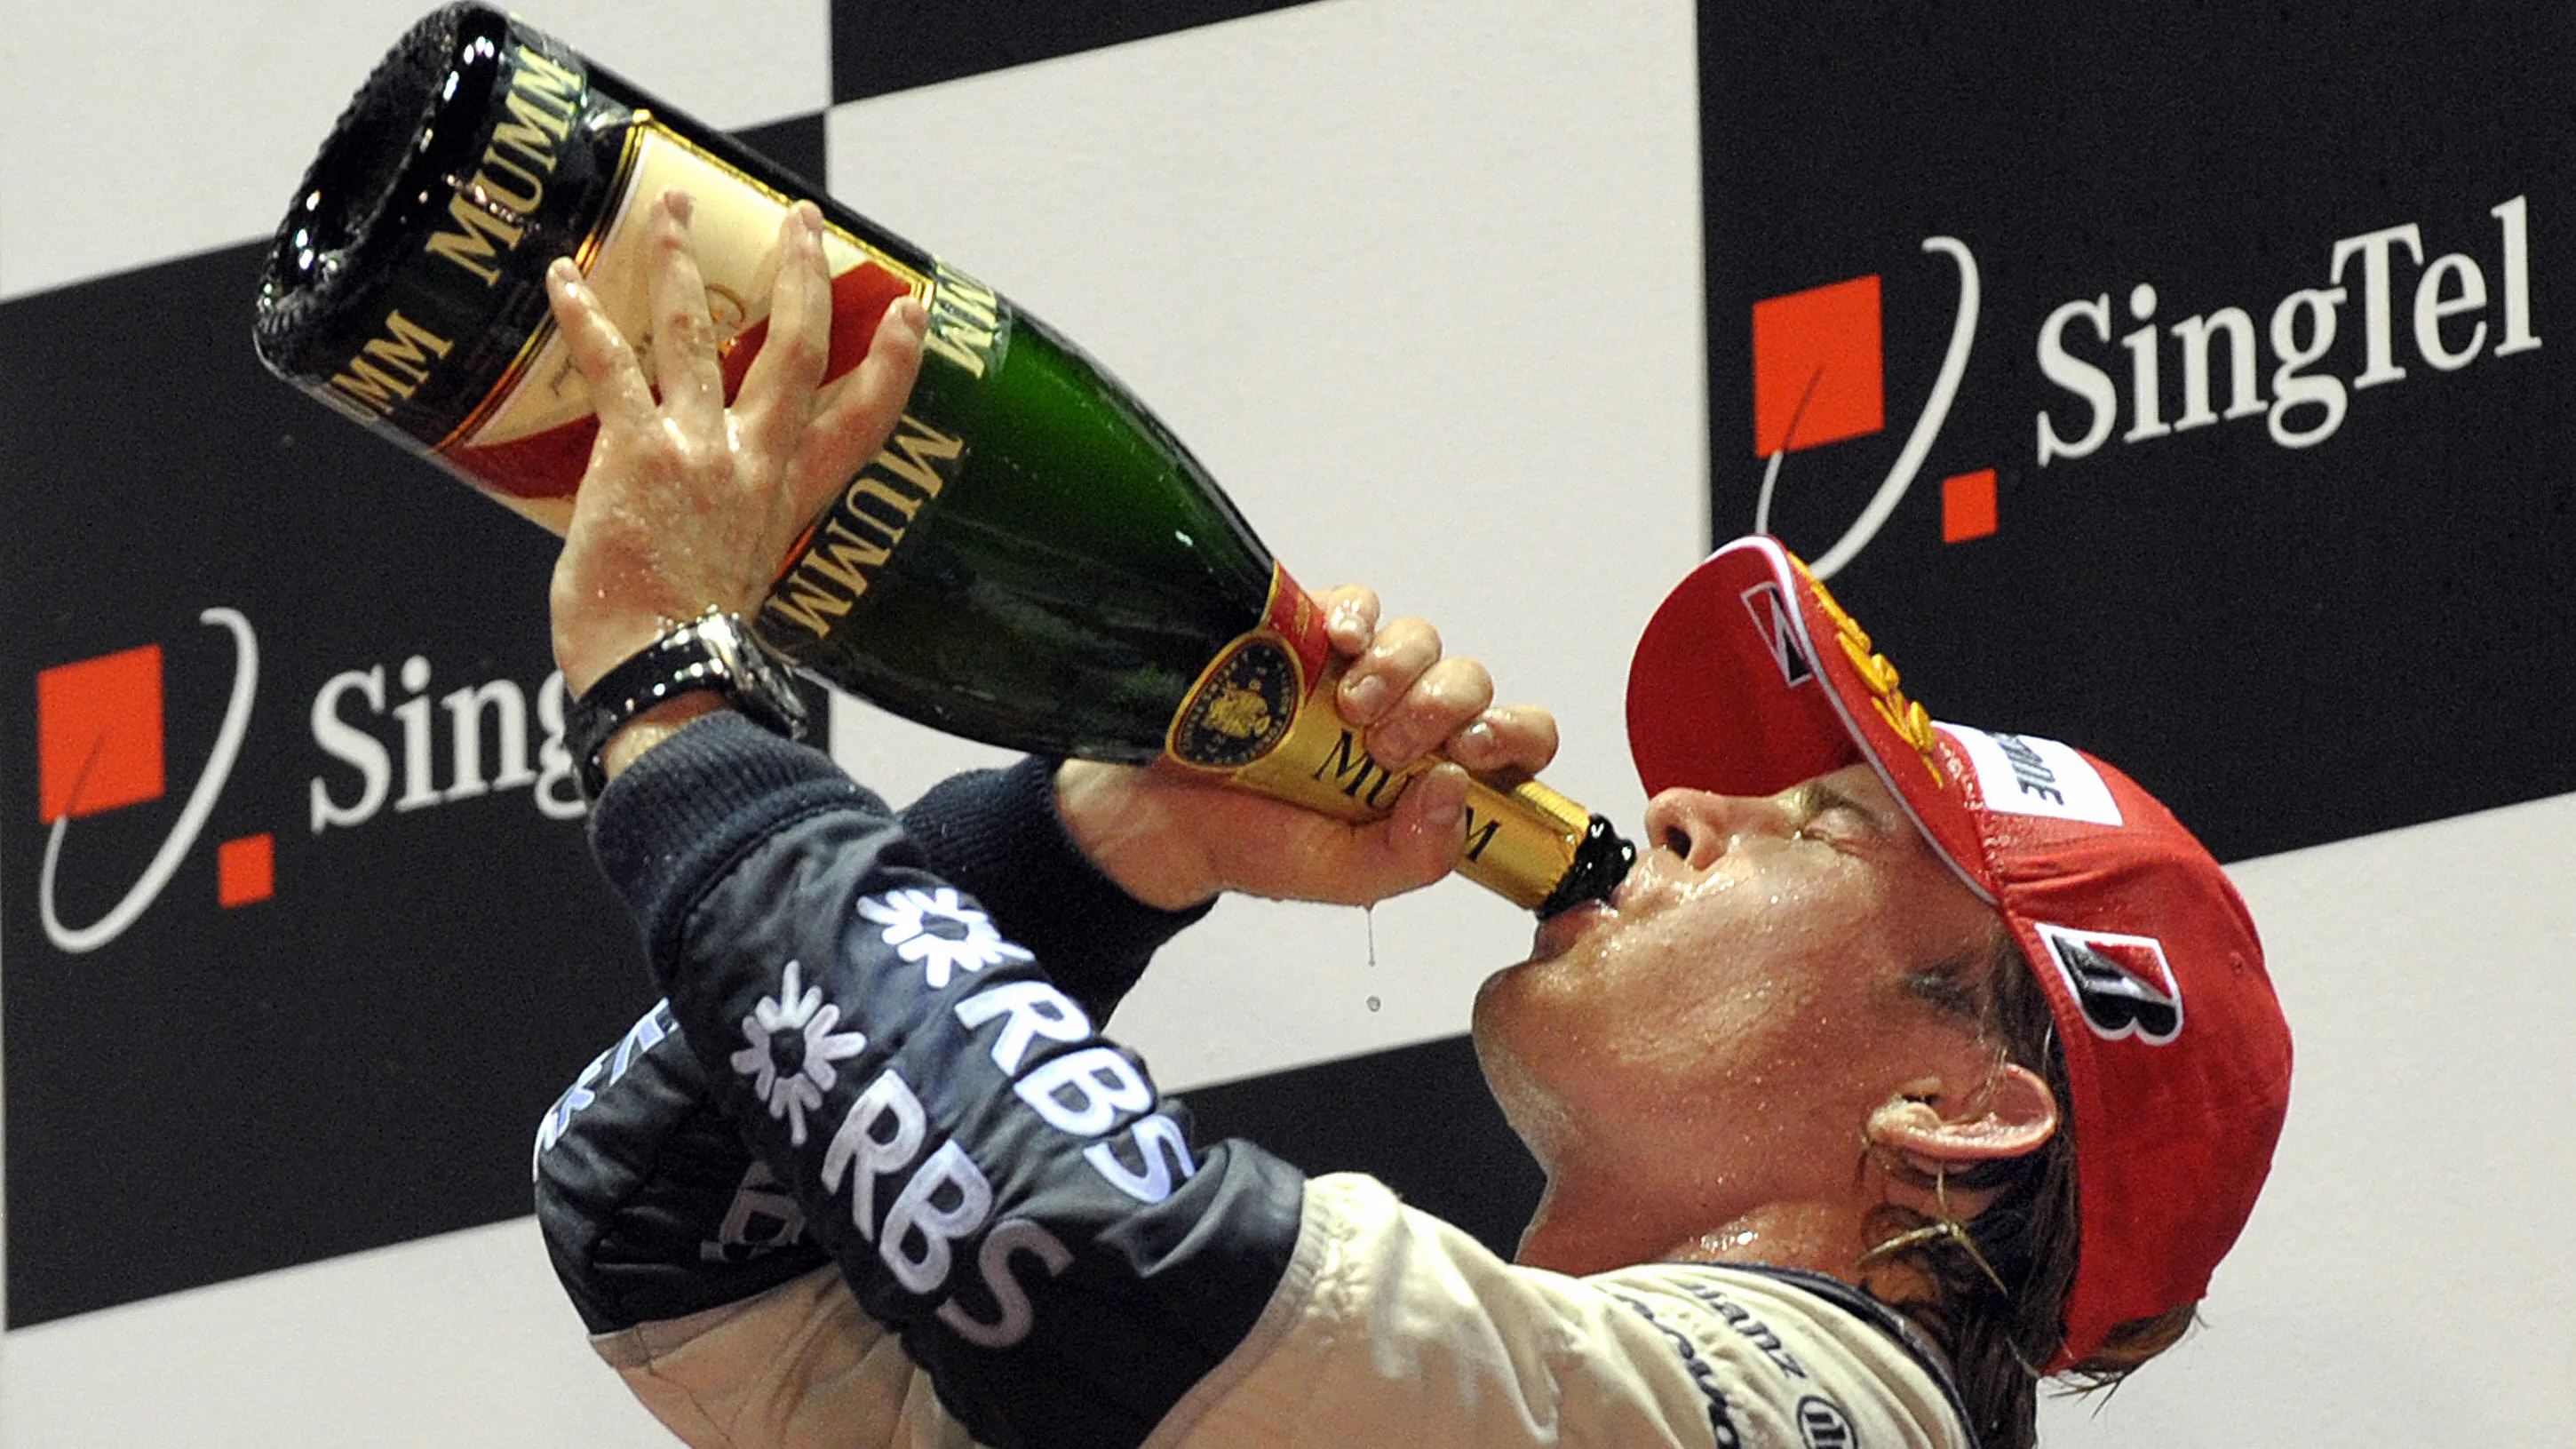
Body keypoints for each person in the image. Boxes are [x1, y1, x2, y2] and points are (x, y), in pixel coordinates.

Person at [531, 192, 2292, 1449]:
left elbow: (1118, 1279)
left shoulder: (1817, 1411)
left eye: (1816, 831)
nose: (1677, 806)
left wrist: (669, 695)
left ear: (1956, 1107)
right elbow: (679, 1223)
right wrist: (1110, 842)